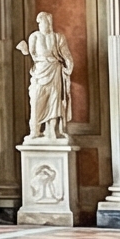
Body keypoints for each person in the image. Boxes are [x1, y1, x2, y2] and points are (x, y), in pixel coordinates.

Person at [24, 11, 76, 141]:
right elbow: (31, 55)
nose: (43, 24)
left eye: (46, 22)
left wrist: (68, 67)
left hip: (54, 71)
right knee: (36, 100)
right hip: (40, 72)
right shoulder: (34, 37)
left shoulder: (58, 37)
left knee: (54, 101)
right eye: (41, 22)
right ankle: (35, 130)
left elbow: (66, 54)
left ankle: (51, 131)